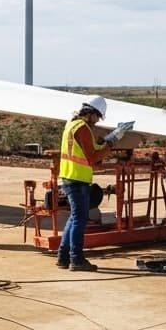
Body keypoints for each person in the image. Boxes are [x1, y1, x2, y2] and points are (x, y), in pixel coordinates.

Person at [56, 96, 129, 271]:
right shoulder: (82, 128)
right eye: (97, 117)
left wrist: (109, 138)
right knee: (80, 219)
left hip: (70, 176)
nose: (97, 121)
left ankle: (63, 257)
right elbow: (93, 157)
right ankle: (77, 260)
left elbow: (89, 149)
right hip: (77, 179)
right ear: (91, 114)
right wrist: (111, 144)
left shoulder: (71, 124)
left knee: (74, 218)